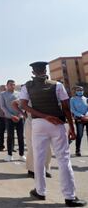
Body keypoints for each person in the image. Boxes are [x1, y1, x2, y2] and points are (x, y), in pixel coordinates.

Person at [20, 61, 86, 207]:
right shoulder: (57, 85)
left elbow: (23, 105)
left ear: (33, 72)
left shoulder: (26, 86)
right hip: (57, 124)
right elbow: (66, 107)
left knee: (39, 158)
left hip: (38, 124)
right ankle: (70, 197)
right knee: (63, 159)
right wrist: (72, 128)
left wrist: (43, 116)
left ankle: (40, 191)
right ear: (45, 70)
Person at [12, 98, 52, 179]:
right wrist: (24, 114)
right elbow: (14, 103)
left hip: (45, 122)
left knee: (47, 147)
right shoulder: (28, 95)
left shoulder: (48, 94)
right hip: (31, 122)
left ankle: (44, 169)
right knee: (33, 147)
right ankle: (31, 170)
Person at [0, 80, 25, 162]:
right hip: (9, 118)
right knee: (10, 136)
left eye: (14, 84)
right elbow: (3, 107)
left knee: (20, 136)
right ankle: (9, 155)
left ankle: (21, 154)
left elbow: (22, 105)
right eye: (11, 84)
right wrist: (11, 116)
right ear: (7, 85)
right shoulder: (3, 94)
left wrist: (19, 115)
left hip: (19, 118)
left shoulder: (19, 93)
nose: (12, 86)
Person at [70, 86, 88, 157]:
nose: (80, 91)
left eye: (81, 90)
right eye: (78, 90)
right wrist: (81, 116)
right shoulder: (72, 99)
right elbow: (73, 110)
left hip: (87, 118)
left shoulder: (86, 99)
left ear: (83, 90)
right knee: (80, 135)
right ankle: (77, 150)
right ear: (75, 91)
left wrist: (86, 115)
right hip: (79, 119)